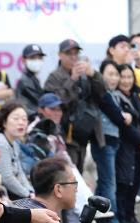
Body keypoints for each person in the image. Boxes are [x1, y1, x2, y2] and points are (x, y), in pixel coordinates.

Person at [91, 60, 139, 223]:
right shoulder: (102, 94)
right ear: (101, 75)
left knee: (104, 184)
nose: (114, 78)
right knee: (109, 184)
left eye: (116, 74)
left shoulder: (114, 95)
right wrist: (122, 115)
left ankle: (97, 221)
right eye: (110, 74)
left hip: (113, 141)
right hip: (103, 142)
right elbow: (117, 116)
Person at [44, 39, 105, 173]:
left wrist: (93, 74)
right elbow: (56, 101)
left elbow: (102, 93)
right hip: (65, 134)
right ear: (60, 55)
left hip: (84, 132)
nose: (73, 57)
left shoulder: (85, 74)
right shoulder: (54, 77)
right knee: (69, 174)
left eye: (76, 53)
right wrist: (72, 79)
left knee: (80, 173)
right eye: (69, 53)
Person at [114, 64, 140, 223]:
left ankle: (132, 217)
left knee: (135, 183)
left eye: (130, 77)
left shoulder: (136, 96)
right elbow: (125, 127)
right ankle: (123, 218)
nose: (127, 81)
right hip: (126, 146)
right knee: (125, 184)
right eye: (123, 77)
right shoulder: (116, 98)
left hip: (139, 148)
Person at [0, 101, 34, 200]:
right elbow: (7, 178)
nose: (21, 123)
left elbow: (20, 172)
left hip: (13, 193)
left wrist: (30, 191)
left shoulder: (15, 143)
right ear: (4, 122)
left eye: (24, 119)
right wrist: (27, 194)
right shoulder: (0, 143)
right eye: (16, 119)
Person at [15, 44, 46, 118]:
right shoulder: (25, 81)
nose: (37, 60)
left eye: (39, 58)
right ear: (23, 60)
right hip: (31, 119)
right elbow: (40, 102)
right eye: (32, 58)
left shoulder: (33, 78)